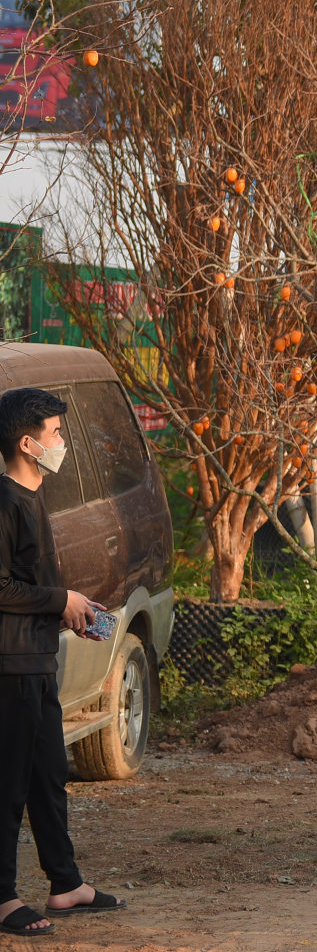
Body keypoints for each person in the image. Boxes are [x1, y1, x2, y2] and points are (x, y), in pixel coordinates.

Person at [0, 387, 126, 934]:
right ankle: (2, 897)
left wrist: (71, 610)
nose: (62, 442)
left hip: (38, 658)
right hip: (10, 665)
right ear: (27, 444)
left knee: (48, 775)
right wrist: (60, 601)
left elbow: (28, 585)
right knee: (8, 784)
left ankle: (65, 883)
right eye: (55, 433)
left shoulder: (32, 496)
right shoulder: (4, 501)